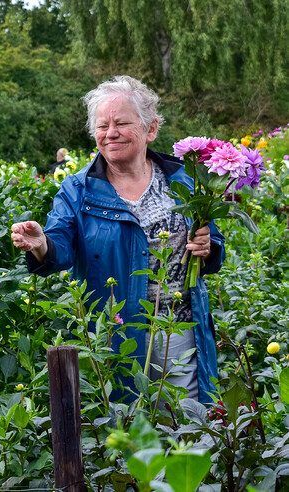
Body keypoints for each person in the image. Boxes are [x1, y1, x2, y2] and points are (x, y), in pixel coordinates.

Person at [11, 75, 224, 404]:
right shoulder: (78, 190)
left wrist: (208, 246)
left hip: (177, 333)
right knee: (127, 441)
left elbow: (212, 246)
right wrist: (41, 244)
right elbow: (60, 245)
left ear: (150, 129)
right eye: (101, 125)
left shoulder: (182, 178)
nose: (110, 133)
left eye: (121, 123)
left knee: (190, 439)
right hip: (116, 339)